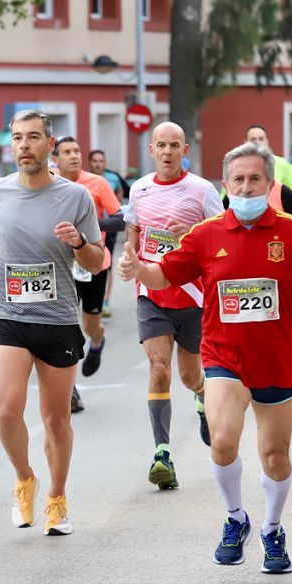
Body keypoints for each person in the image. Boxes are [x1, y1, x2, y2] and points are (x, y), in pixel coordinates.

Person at [118, 141, 292, 574]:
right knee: (222, 441)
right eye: (238, 179)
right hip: (223, 355)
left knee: (275, 455)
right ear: (225, 185)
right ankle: (235, 518)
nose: (245, 187)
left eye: (254, 179)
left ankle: (272, 529)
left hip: (277, 359)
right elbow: (163, 273)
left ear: (269, 183)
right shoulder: (205, 235)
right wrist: (137, 269)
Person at [0, 109, 103, 536]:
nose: (23, 145)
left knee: (55, 419)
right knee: (5, 410)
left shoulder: (75, 197)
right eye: (17, 138)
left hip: (58, 318)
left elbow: (96, 261)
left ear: (49, 145)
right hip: (7, 314)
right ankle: (25, 478)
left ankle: (57, 498)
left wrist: (79, 242)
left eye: (32, 137)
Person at [125, 121, 224, 490]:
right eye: (160, 145)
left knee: (189, 376)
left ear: (185, 151)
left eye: (174, 145)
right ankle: (162, 453)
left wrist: (195, 236)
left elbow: (221, 233)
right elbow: (133, 232)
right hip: (152, 294)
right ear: (151, 150)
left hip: (194, 297)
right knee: (158, 368)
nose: (167, 151)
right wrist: (129, 258)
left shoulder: (201, 190)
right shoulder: (140, 190)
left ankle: (201, 397)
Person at [53, 137, 125, 392]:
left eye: (77, 151)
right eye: (67, 152)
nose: (74, 156)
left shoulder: (97, 183)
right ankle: (69, 390)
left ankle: (97, 341)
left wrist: (89, 229)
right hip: (61, 265)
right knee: (64, 325)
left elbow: (119, 220)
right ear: (55, 159)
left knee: (89, 325)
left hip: (94, 263)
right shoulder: (49, 183)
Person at [88, 149, 125, 318]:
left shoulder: (113, 179)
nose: (98, 164)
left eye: (101, 161)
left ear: (105, 162)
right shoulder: (85, 179)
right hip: (89, 231)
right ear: (90, 162)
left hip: (108, 227)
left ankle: (106, 300)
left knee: (106, 265)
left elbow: (118, 200)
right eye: (94, 160)